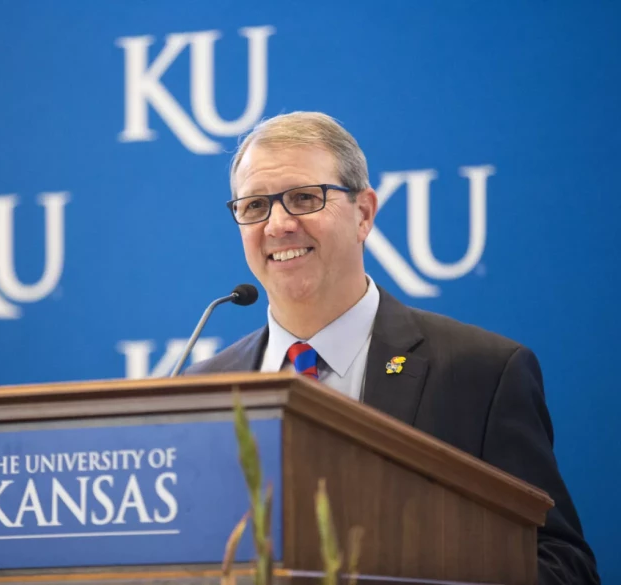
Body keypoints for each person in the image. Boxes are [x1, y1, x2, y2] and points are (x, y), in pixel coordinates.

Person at [185, 111, 600, 584]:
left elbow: (562, 566)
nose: (278, 224)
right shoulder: (201, 392)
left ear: (364, 214)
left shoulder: (482, 373)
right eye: (255, 206)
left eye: (303, 198)